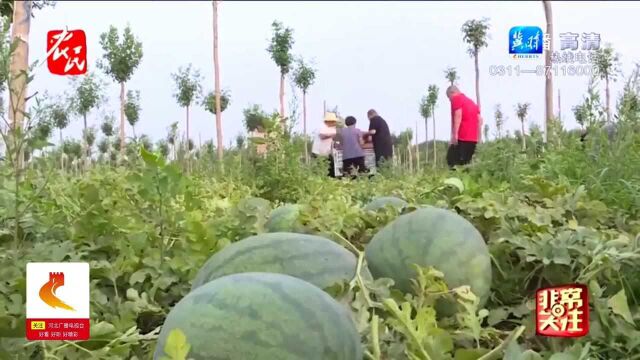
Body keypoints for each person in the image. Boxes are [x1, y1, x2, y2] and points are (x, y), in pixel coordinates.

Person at [446, 85, 482, 169]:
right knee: (465, 163)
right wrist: (479, 137)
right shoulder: (471, 102)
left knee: (451, 159)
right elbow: (479, 120)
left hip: (463, 137)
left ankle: (455, 180)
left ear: (452, 93)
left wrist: (454, 135)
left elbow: (458, 115)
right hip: (473, 139)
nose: (450, 100)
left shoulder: (456, 98)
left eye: (449, 97)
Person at [311, 112, 338, 177]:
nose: (334, 123)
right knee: (319, 169)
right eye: (333, 122)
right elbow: (322, 136)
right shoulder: (322, 126)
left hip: (326, 152)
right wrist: (332, 135)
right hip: (318, 152)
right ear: (329, 121)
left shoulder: (332, 129)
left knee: (331, 169)